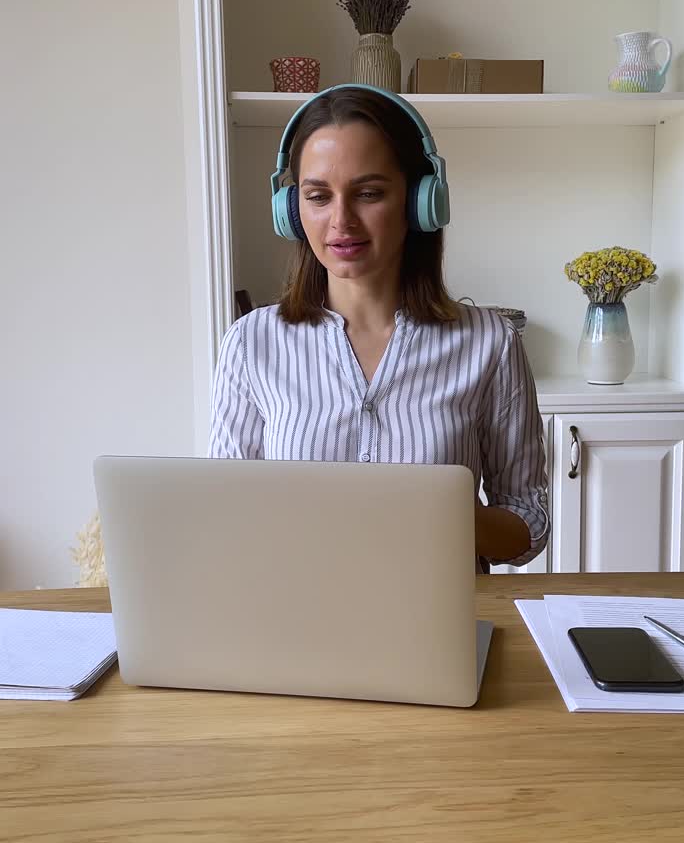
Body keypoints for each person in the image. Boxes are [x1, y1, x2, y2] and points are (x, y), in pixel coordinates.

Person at [209, 85, 549, 568]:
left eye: (369, 193)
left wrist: (448, 510)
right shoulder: (251, 343)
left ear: (418, 202)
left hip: (438, 623)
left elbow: (528, 529)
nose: (341, 221)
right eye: (318, 196)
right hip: (296, 619)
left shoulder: (489, 343)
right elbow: (225, 519)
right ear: (291, 210)